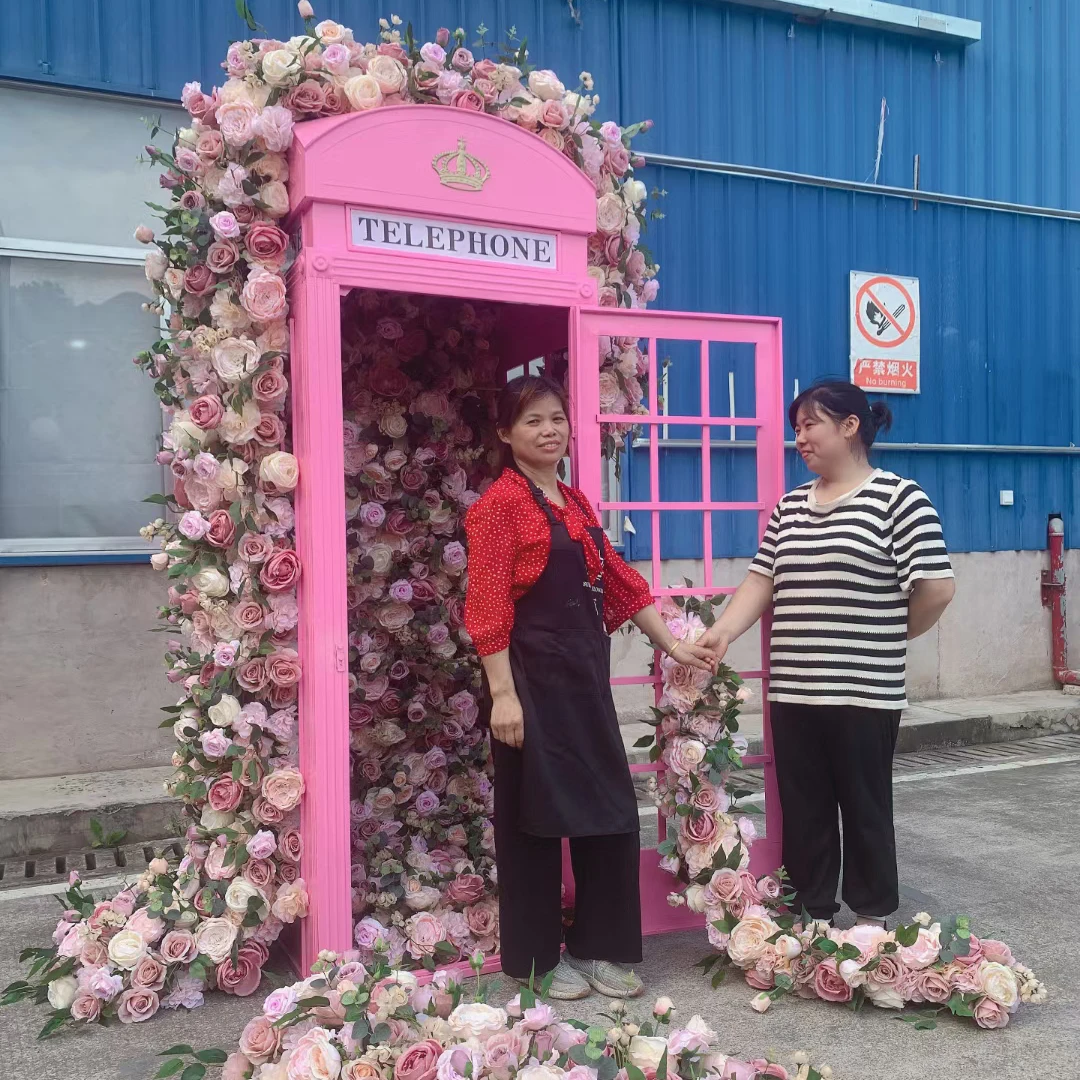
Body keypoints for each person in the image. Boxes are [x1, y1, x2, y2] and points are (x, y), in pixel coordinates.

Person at [464, 375, 717, 999]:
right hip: (527, 683)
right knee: (532, 823)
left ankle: (599, 947)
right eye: (532, 422)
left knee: (608, 811)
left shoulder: (574, 503)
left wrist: (674, 644)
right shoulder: (498, 506)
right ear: (504, 434)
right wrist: (503, 695)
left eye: (557, 419)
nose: (550, 431)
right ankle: (537, 962)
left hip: (582, 680)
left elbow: (623, 584)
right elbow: (487, 604)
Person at [699, 380, 955, 929]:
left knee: (864, 808)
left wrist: (886, 632)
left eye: (810, 424)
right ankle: (809, 912)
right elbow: (761, 580)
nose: (801, 438)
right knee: (805, 808)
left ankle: (870, 917)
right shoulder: (791, 507)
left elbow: (936, 587)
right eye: (796, 429)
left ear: (850, 426)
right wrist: (722, 631)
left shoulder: (899, 499)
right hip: (794, 689)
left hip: (865, 690)